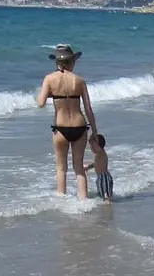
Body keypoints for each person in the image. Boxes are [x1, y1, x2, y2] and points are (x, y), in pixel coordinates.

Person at [36, 44, 99, 200]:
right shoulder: (79, 80)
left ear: (57, 62)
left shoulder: (49, 79)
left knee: (61, 168)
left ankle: (62, 201)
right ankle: (84, 201)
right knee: (79, 167)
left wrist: (52, 94)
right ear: (72, 62)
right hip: (79, 126)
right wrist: (95, 131)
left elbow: (40, 103)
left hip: (61, 128)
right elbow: (88, 108)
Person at [86, 133, 113, 202]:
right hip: (100, 178)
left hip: (104, 177)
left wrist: (92, 136)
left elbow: (93, 140)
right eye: (91, 145)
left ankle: (108, 208)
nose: (91, 147)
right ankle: (106, 203)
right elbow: (96, 163)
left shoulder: (101, 152)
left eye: (93, 145)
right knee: (101, 195)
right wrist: (88, 167)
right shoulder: (97, 154)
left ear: (99, 145)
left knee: (106, 197)